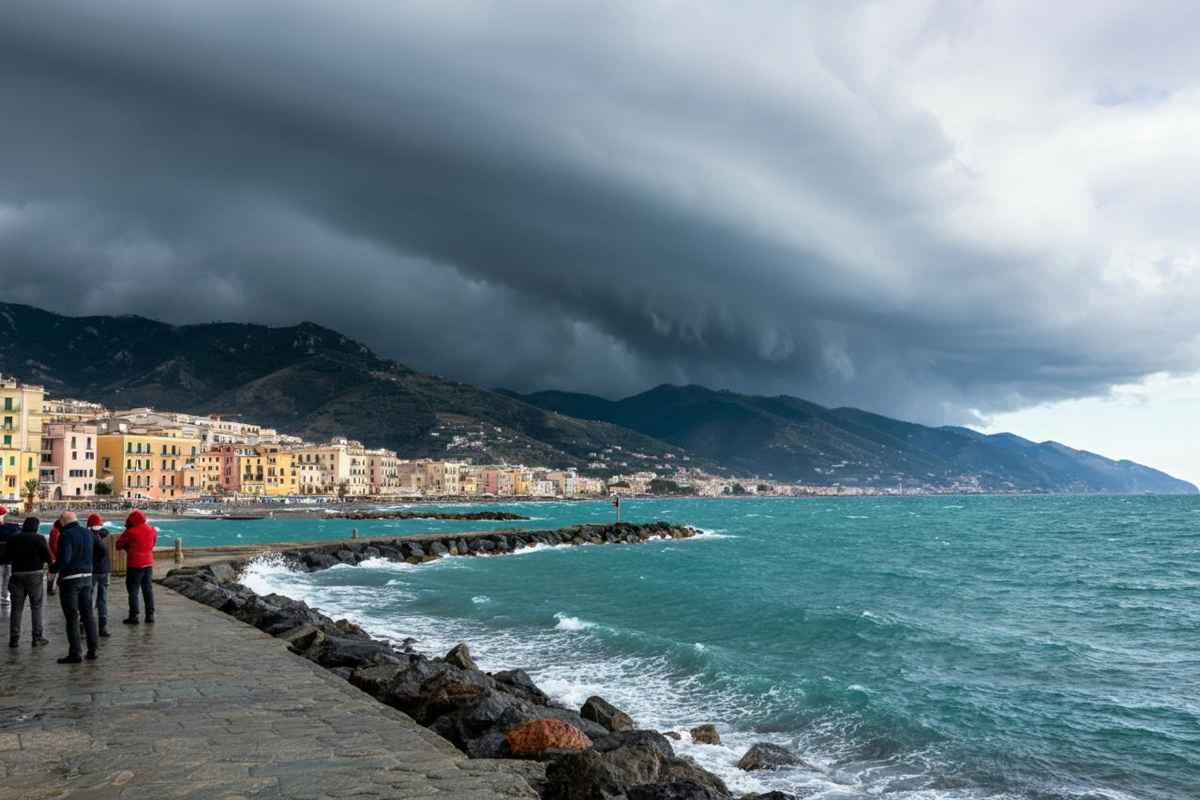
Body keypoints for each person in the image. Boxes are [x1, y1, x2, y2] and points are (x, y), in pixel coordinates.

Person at [50, 512, 99, 663]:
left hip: (70, 580)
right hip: (87, 577)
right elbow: (101, 550)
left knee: (72, 617)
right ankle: (92, 650)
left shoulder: (66, 535)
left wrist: (53, 568)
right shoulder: (88, 533)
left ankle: (75, 653)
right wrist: (90, 566)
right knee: (88, 615)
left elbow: (65, 558)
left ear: (63, 521)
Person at [8, 517, 52, 647]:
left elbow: (7, 557)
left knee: (16, 608)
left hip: (16, 574)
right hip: (35, 574)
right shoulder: (39, 538)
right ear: (36, 527)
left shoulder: (13, 538)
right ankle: (37, 637)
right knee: (36, 606)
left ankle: (14, 639)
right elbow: (48, 557)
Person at [116, 510, 156, 625]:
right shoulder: (151, 530)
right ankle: (150, 615)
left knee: (133, 590)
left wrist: (128, 548)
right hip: (148, 562)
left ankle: (134, 616)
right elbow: (153, 543)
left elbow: (118, 545)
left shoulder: (130, 531)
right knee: (147, 589)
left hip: (135, 564)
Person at [86, 514, 112, 637]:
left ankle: (85, 625)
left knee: (87, 598)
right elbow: (105, 532)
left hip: (92, 571)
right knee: (102, 599)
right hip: (104, 570)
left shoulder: (89, 536)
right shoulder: (100, 535)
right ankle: (103, 626)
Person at [0, 505, 18, 606]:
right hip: (8, 559)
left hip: (6, 559)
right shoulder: (11, 529)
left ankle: (5, 596)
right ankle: (5, 596)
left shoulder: (8, 528)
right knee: (7, 577)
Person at [46, 519, 62, 597]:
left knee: (52, 573)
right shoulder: (56, 531)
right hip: (54, 556)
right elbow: (54, 545)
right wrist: (58, 555)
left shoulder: (54, 531)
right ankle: (51, 589)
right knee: (53, 573)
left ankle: (51, 589)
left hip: (52, 556)